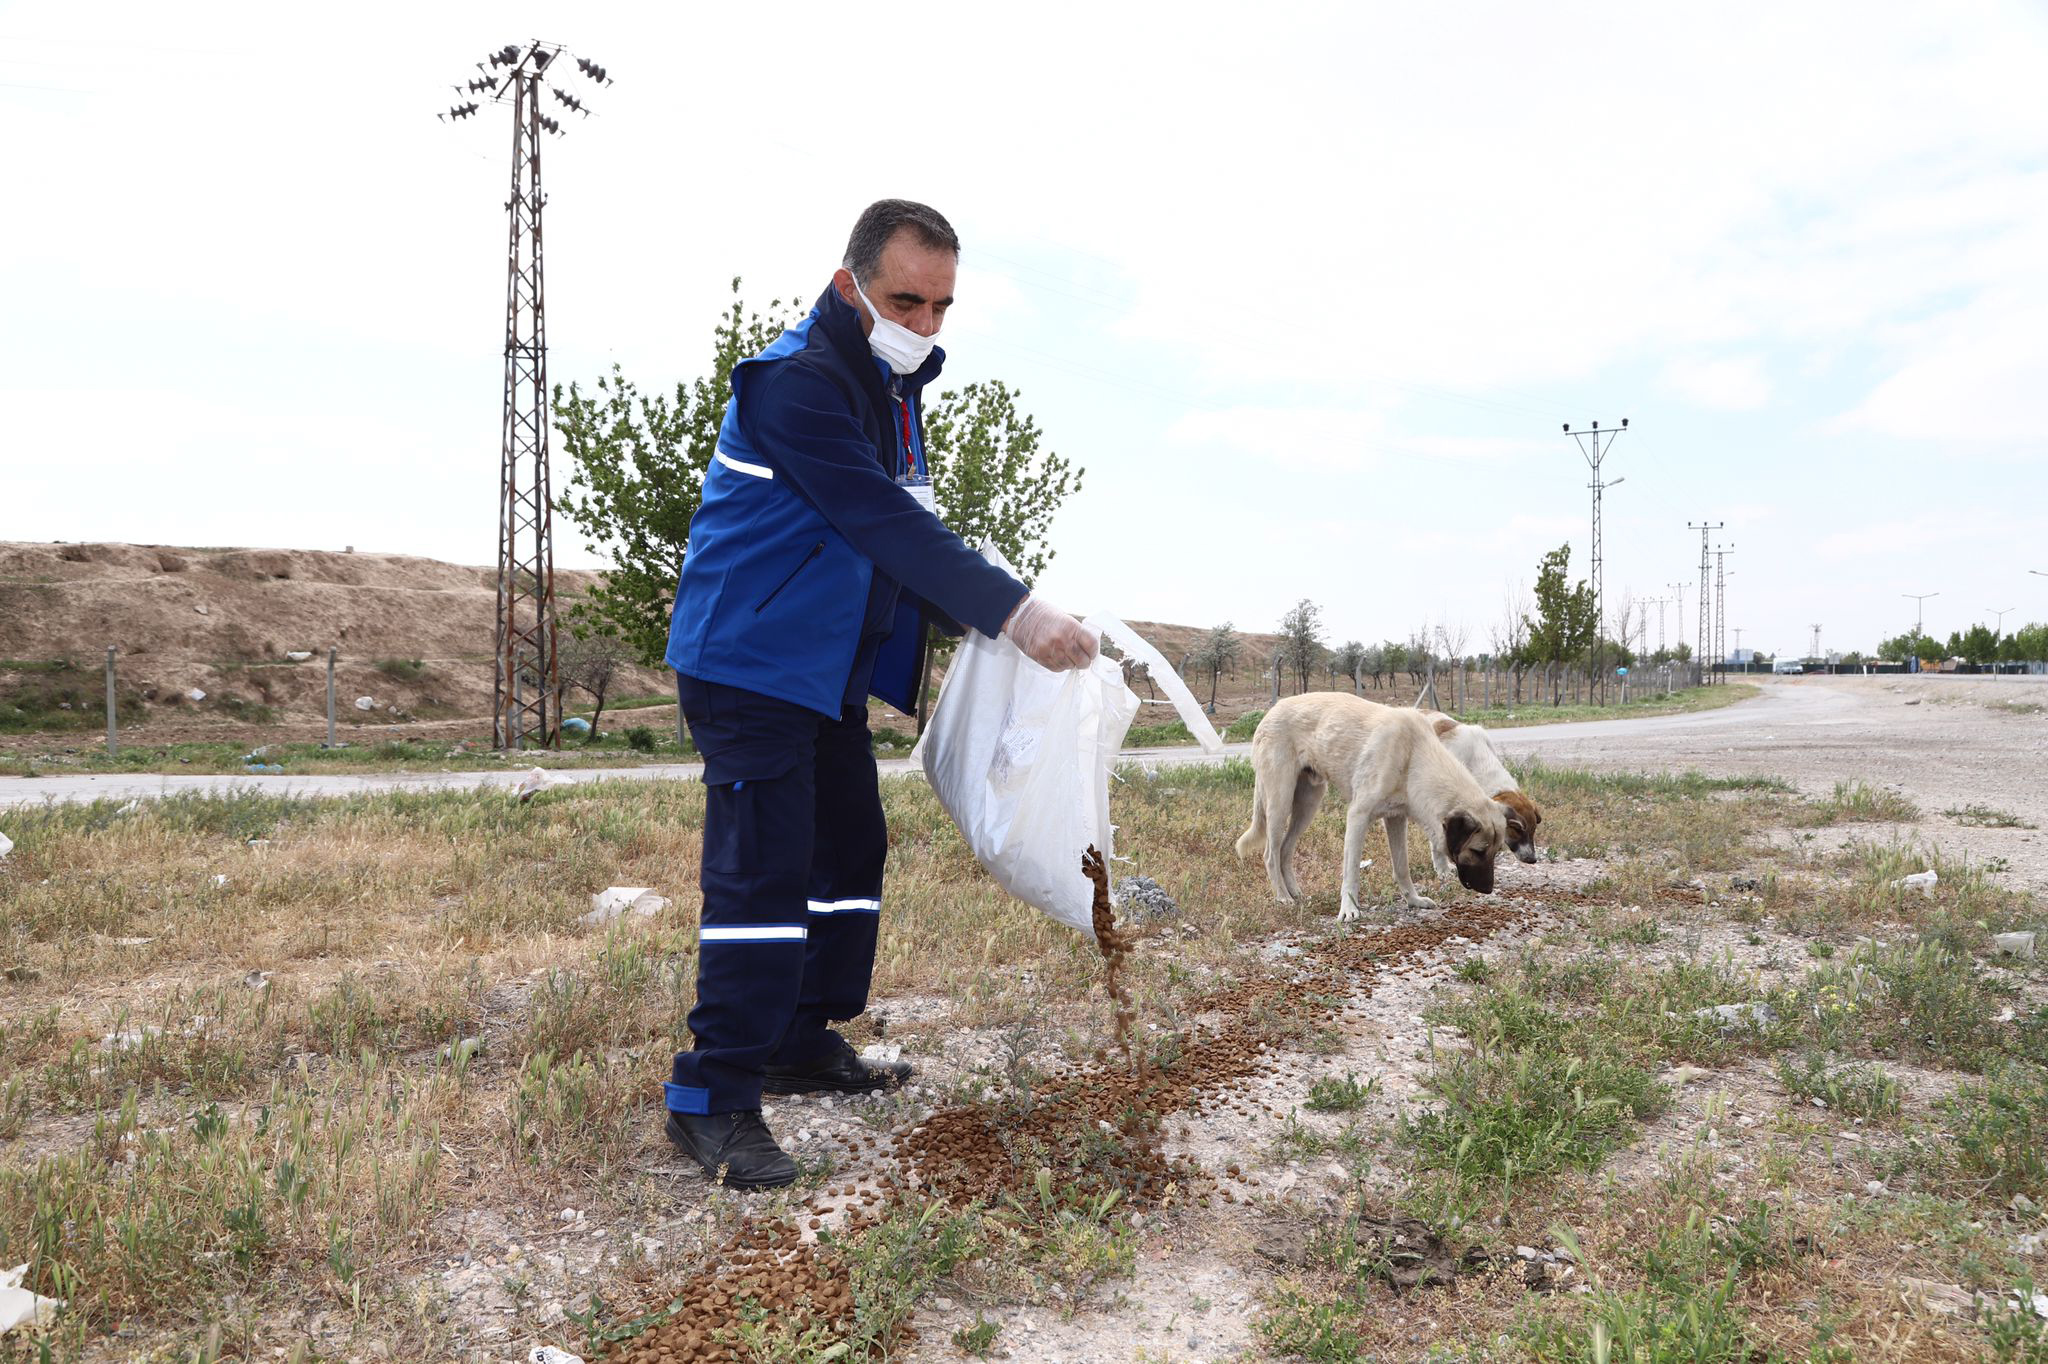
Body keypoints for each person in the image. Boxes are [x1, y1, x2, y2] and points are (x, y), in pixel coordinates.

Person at [660, 199, 1098, 1189]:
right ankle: (712, 1094)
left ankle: (796, 1036)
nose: (927, 322)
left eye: (943, 304)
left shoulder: (888, 385)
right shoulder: (798, 385)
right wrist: (1014, 614)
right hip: (748, 662)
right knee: (761, 877)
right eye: (908, 299)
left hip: (821, 671)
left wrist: (992, 620)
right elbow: (880, 523)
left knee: (849, 847)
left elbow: (905, 543)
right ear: (849, 281)